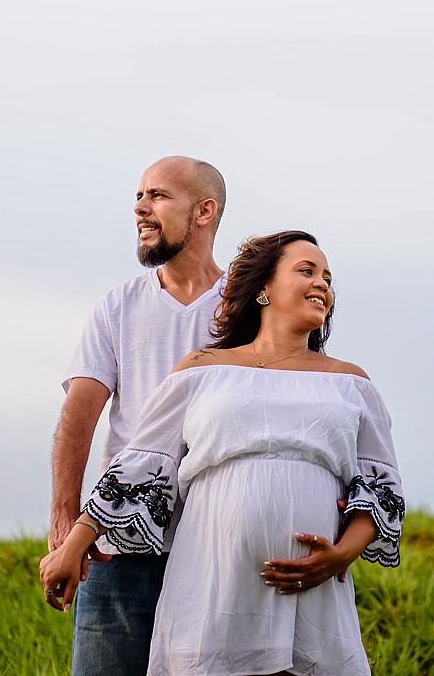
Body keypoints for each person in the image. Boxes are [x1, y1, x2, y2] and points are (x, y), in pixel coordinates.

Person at [41, 230, 405, 676]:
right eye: (307, 271)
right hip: (211, 585)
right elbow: (143, 465)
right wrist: (76, 541)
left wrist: (343, 554)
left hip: (311, 590)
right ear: (264, 288)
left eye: (328, 278)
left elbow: (380, 486)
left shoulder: (352, 382)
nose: (322, 284)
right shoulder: (202, 369)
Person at [49, 156, 229, 676]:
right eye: (138, 195)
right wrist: (64, 514)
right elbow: (80, 412)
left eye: (157, 195)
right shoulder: (117, 306)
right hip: (119, 549)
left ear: (203, 211)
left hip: (219, 548)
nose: (140, 207)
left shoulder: (247, 308)